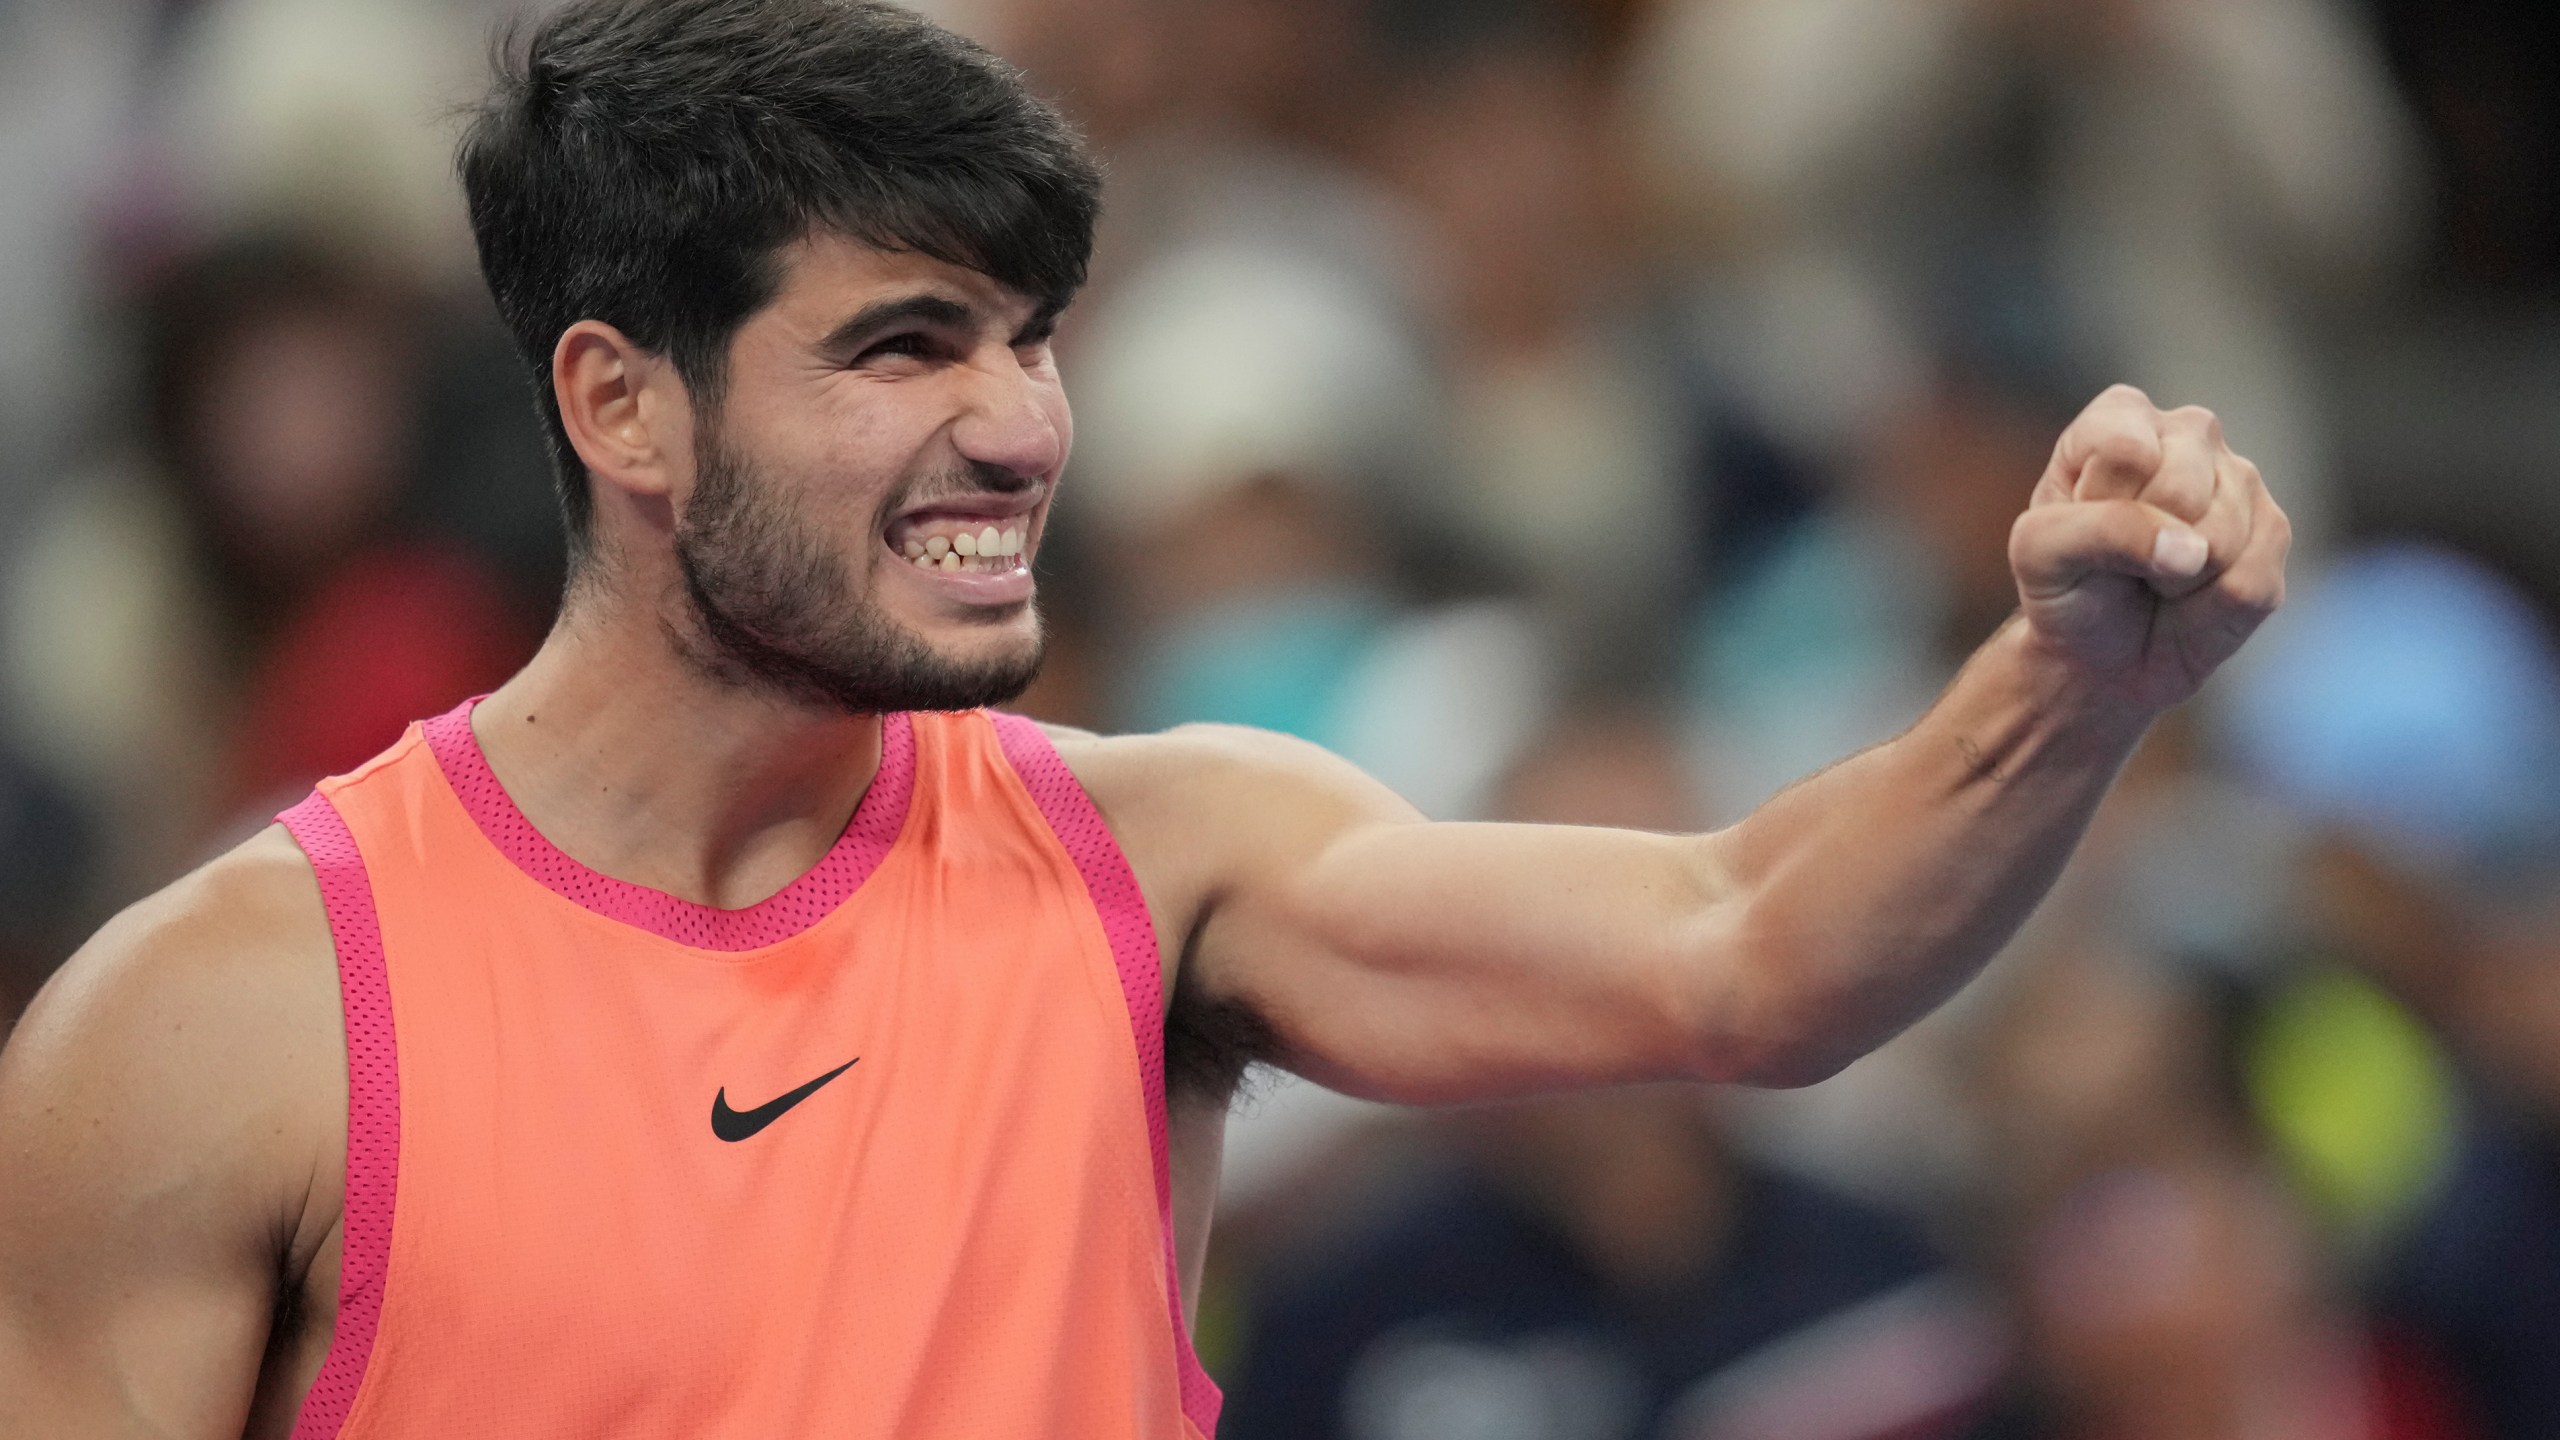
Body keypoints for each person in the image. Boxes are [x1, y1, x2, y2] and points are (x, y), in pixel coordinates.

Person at [0, 2, 2289, 1437]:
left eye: (1035, 340)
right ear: (623, 403)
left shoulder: (1164, 861)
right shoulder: (212, 1033)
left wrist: (2062, 687)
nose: (1019, 431)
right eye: (904, 348)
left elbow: (1744, 951)